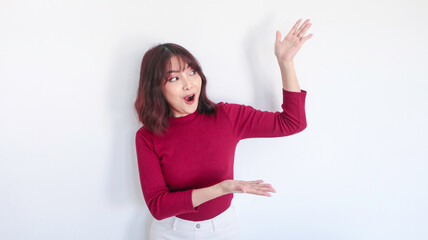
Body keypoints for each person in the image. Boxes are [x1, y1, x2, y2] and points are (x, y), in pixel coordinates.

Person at [134, 18, 313, 240]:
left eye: (192, 72)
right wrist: (221, 189)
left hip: (222, 230)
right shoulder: (147, 137)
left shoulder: (226, 116)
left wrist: (286, 63)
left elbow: (292, 122)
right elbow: (158, 206)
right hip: (171, 232)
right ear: (156, 89)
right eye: (174, 78)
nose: (188, 84)